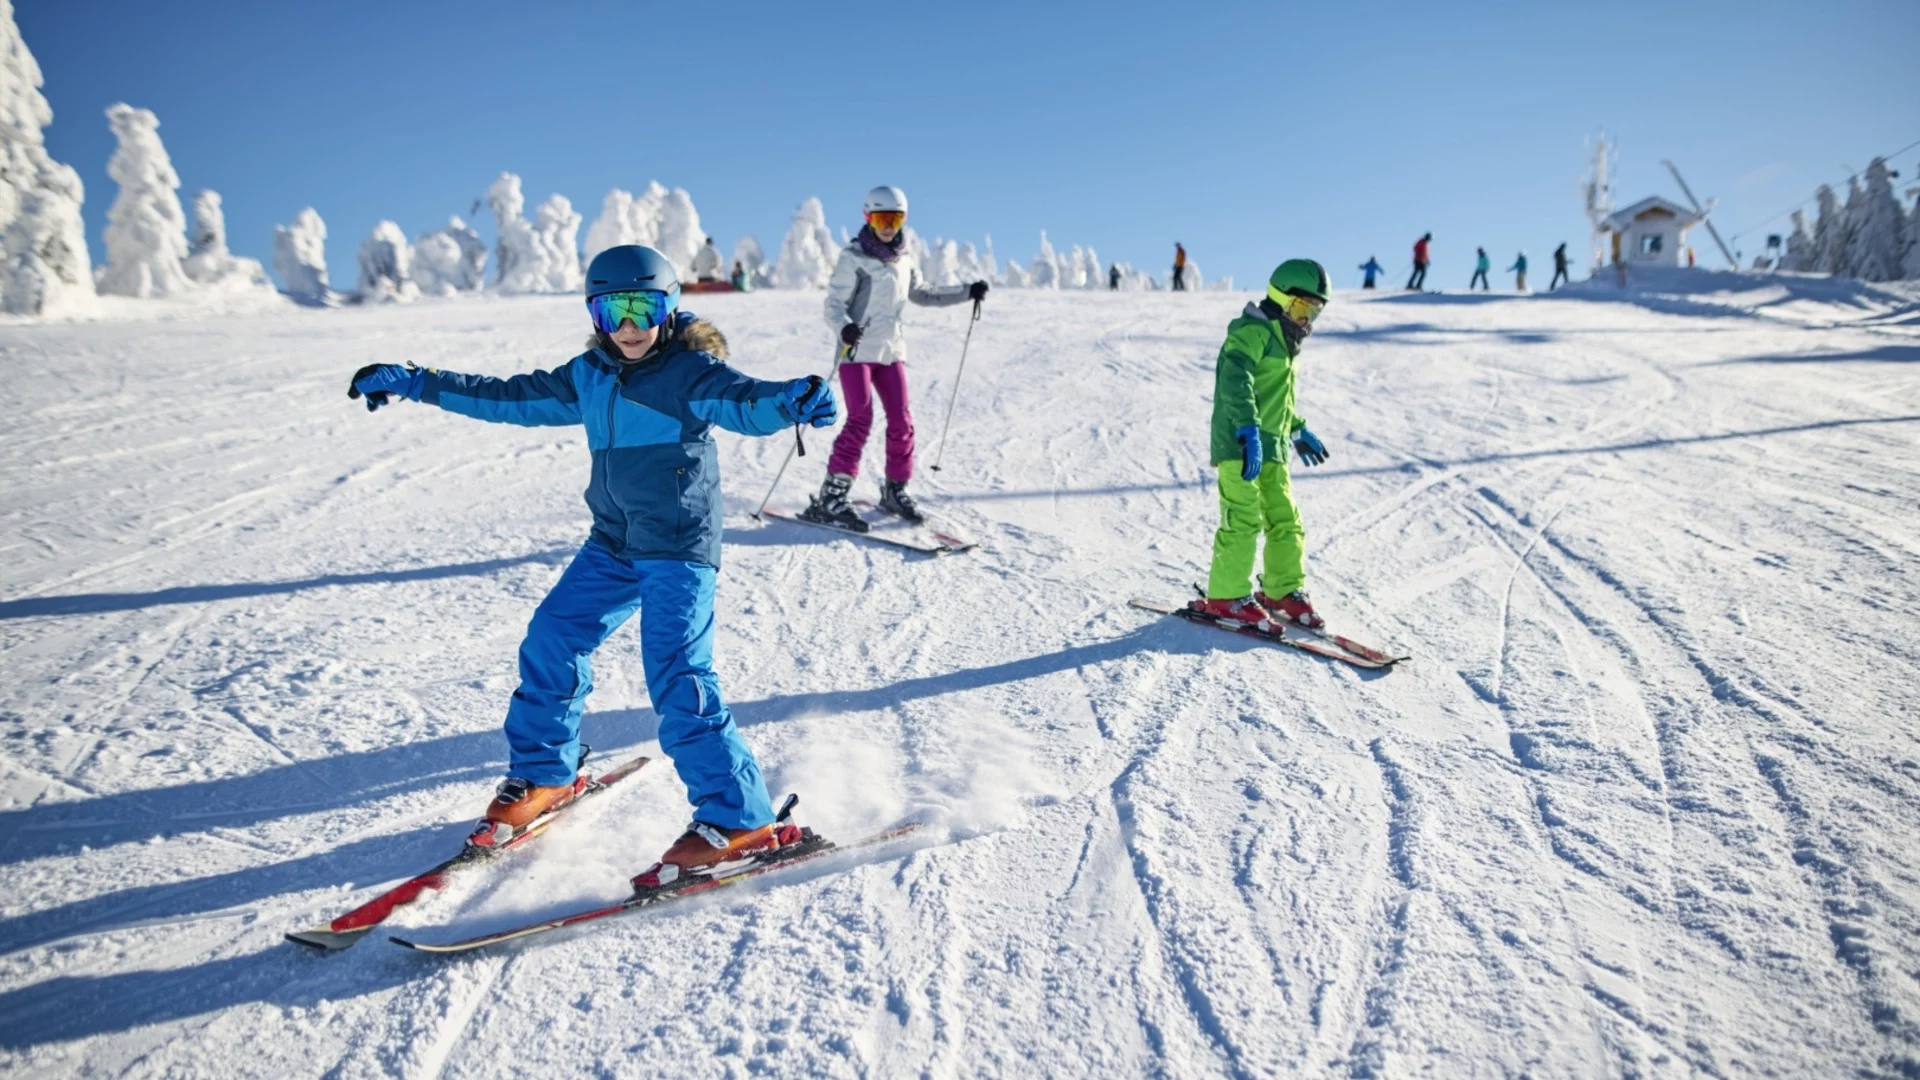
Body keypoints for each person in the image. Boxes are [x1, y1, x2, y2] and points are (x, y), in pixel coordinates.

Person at [345, 245, 838, 889]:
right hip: (612, 542)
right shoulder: (590, 374)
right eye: (613, 310)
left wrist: (794, 400)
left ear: (668, 307)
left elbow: (746, 401)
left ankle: (739, 817)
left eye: (643, 307)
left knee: (677, 674)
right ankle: (548, 773)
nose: (629, 325)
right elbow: (505, 397)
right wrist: (414, 381)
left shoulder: (692, 373)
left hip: (676, 548)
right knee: (552, 637)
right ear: (596, 314)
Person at [804, 185, 986, 530]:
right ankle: (832, 495)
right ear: (868, 218)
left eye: (895, 218)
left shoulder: (903, 259)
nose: (888, 225)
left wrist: (967, 292)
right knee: (861, 419)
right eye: (881, 217)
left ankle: (895, 489)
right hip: (856, 352)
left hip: (891, 352)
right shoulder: (853, 258)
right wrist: (844, 327)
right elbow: (833, 305)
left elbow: (923, 294)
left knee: (902, 421)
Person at [1188, 258, 1332, 630]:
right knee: (1244, 517)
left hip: (1272, 444)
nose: (1306, 320)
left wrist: (1296, 428)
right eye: (1302, 308)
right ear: (1281, 298)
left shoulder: (1284, 344)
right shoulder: (1251, 332)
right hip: (1240, 441)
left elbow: (1275, 398)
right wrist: (1248, 427)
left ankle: (1282, 588)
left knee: (1285, 518)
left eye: (1314, 312)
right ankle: (1226, 596)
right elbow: (1236, 380)